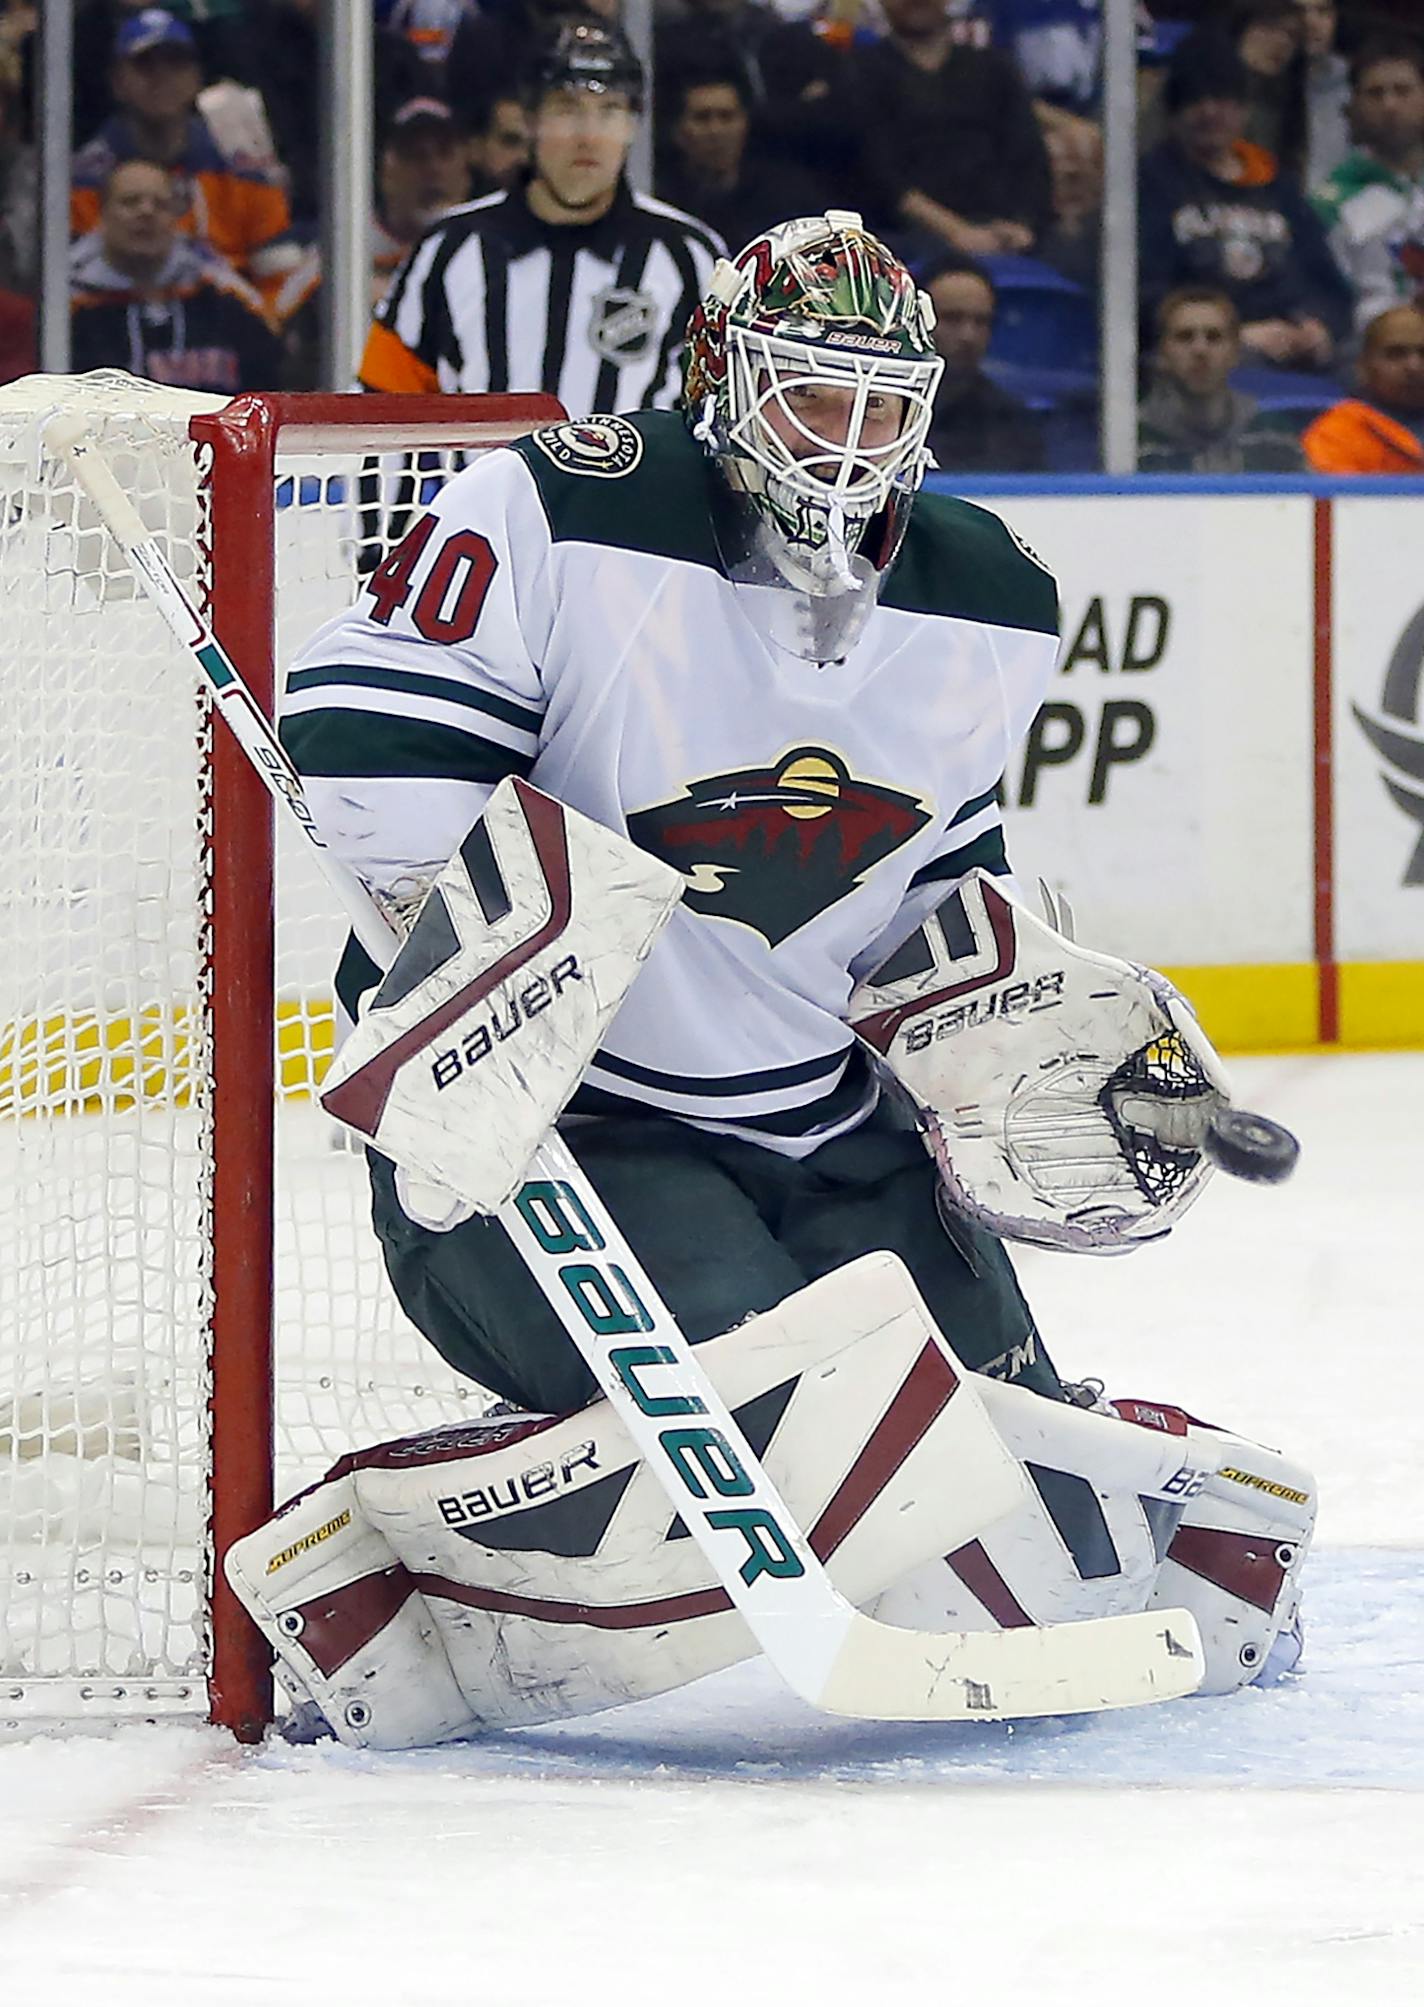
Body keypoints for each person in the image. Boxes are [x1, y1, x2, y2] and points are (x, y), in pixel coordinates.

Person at [264, 210, 1313, 1743]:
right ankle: (402, 1560)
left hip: (827, 1131)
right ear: (722, 378)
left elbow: (930, 890)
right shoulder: (564, 504)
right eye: (814, 396)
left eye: (887, 404)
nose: (853, 441)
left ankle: (616, 1460)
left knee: (980, 1455)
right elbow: (370, 767)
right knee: (792, 1441)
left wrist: (1075, 1046)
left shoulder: (990, 596)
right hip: (568, 1128)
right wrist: (498, 988)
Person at [359, 19, 724, 409]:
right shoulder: (448, 251)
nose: (589, 134)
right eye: (567, 108)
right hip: (477, 471)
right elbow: (376, 411)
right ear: (530, 121)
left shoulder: (690, 258)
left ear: (633, 126)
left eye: (610, 110)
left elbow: (729, 416)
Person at [1138, 29, 1350, 370]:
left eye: (1222, 99)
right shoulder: (1150, 183)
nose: (1209, 112)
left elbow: (1327, 284)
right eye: (1194, 101)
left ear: (1244, 109)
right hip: (1198, 355)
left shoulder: (1279, 185)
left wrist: (1319, 326)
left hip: (1294, 349)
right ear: (1173, 113)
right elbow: (1145, 296)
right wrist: (1235, 334)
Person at [70, 9, 300, 312]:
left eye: (176, 62)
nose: (161, 77)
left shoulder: (244, 172)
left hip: (227, 337)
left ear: (196, 78)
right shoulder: (83, 181)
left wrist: (257, 332)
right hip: (116, 337)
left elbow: (280, 278)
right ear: (117, 81)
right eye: (145, 65)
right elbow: (75, 285)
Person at [854, 0, 1054, 261]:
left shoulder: (994, 70)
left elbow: (1029, 157)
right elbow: (876, 174)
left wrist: (1023, 225)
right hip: (902, 240)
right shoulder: (860, 72)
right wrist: (958, 232)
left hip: (1003, 233)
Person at [70, 157, 283, 392]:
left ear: (176, 217)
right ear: (102, 214)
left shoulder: (222, 296)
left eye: (161, 204)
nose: (146, 212)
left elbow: (270, 378)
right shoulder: (68, 307)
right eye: (130, 202)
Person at [1312, 36, 1424, 339]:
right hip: (1371, 348)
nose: (1390, 105)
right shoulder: (1328, 201)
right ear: (1354, 105)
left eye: (1402, 91)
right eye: (1375, 94)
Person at [655, 66, 827, 254]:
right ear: (677, 131)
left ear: (745, 124)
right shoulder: (660, 200)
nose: (716, 130)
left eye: (726, 117)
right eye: (702, 118)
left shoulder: (788, 200)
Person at [1138, 284, 1305, 471]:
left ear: (1235, 352)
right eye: (1185, 337)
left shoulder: (1273, 433)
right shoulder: (1135, 441)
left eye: (1214, 337)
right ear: (1162, 353)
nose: (1200, 350)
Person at [921, 252, 1046, 472]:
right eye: (952, 318)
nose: (968, 336)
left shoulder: (1012, 423)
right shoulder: (876, 409)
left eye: (981, 321)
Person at [1302, 301, 1424, 471]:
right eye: (1395, 354)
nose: (1414, 366)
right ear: (1363, 367)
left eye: (1423, 353)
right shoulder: (1337, 435)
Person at [1293, 0, 1350, 188]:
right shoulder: (1265, 85)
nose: (1310, 22)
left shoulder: (1358, 83)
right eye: (1299, 12)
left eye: (1322, 11)